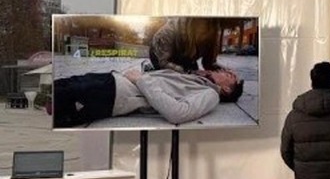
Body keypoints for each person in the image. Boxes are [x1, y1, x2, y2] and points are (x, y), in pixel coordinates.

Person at [52, 66, 243, 128]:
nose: (224, 70)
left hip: (112, 94)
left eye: (229, 76)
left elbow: (177, 113)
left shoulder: (210, 95)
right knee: (52, 92)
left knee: (54, 103)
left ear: (226, 90)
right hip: (110, 82)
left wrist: (141, 79)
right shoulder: (199, 79)